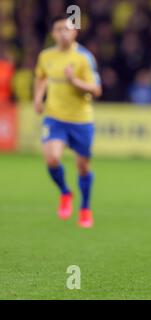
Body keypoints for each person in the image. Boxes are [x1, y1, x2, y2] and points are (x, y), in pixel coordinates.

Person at [34, 15, 102, 228]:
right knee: (52, 159)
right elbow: (41, 77)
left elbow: (97, 90)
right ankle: (65, 192)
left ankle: (85, 207)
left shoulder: (84, 58)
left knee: (82, 167)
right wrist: (38, 97)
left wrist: (74, 81)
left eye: (67, 28)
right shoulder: (46, 56)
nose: (63, 32)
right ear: (53, 33)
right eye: (58, 29)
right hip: (54, 117)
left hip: (81, 120)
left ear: (75, 32)